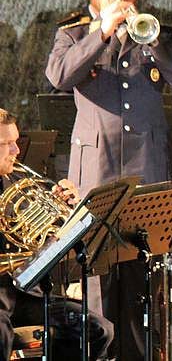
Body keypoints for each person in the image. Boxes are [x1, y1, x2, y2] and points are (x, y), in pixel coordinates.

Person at [45, 0, 172, 359]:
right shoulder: (73, 33)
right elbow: (59, 76)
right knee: (97, 281)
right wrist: (101, 31)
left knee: (141, 282)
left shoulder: (159, 33)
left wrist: (154, 42)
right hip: (96, 173)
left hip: (147, 172)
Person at [0, 108, 113, 360]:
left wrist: (70, 215)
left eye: (15, 142)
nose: (16, 151)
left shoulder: (15, 184)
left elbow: (40, 246)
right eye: (6, 144)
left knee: (97, 329)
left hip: (25, 294)